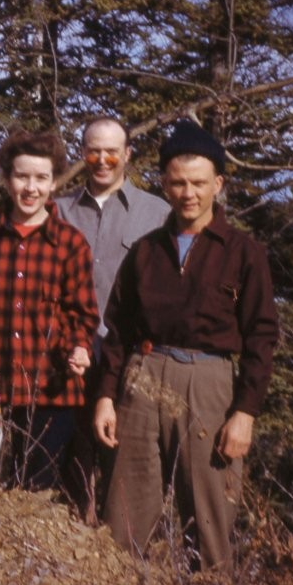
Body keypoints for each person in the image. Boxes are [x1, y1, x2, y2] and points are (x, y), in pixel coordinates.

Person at [93, 120, 279, 571]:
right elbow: (117, 329)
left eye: (198, 183)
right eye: (177, 183)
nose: (188, 193)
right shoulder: (145, 251)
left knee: (211, 514)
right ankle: (121, 582)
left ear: (218, 183)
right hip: (144, 375)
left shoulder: (242, 251)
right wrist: (105, 396)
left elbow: (261, 335)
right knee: (125, 512)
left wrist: (245, 412)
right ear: (164, 184)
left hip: (209, 382)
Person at [0, 130, 99, 490]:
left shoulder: (70, 244)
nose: (31, 188)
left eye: (41, 178)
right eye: (22, 176)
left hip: (50, 390)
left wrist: (79, 347)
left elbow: (82, 313)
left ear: (53, 182)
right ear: (6, 178)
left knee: (35, 496)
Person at [54, 117, 170, 518]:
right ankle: (76, 537)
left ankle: (119, 548)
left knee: (125, 458)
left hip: (130, 357)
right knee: (73, 456)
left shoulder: (157, 213)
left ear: (127, 155)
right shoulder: (58, 210)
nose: (102, 160)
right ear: (82, 152)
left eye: (111, 152)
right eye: (93, 151)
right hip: (70, 355)